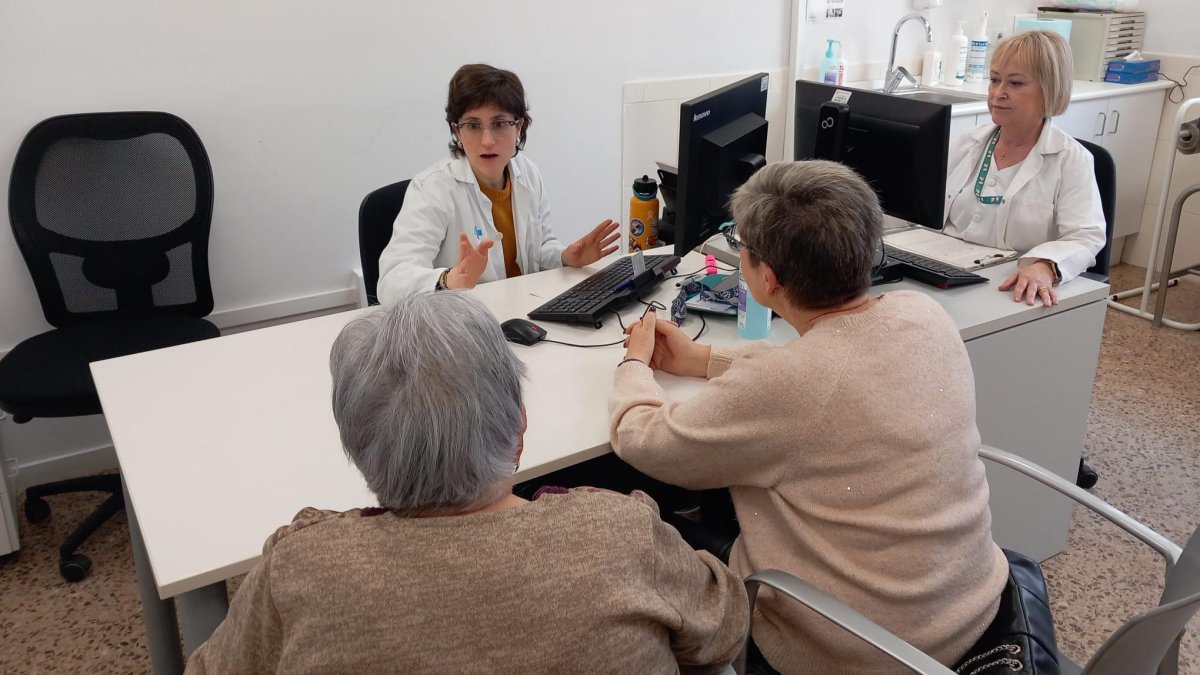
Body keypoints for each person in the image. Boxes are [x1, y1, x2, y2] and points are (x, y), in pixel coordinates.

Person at [186, 292, 748, 674]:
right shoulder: (619, 531)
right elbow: (723, 628)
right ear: (520, 427)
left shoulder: (299, 570)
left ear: (356, 448)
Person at [610, 161, 1009, 675]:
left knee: (649, 525)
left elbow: (640, 437)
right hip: (969, 612)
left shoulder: (789, 386)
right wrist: (703, 362)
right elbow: (829, 376)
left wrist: (632, 364)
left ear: (767, 278)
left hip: (854, 649)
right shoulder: (922, 315)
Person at [376, 64, 619, 303]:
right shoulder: (433, 189)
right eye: (472, 125)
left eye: (499, 123)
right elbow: (391, 283)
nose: (487, 140)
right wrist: (448, 280)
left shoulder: (528, 173)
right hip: (465, 323)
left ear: (519, 127)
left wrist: (567, 256)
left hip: (526, 311)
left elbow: (540, 248)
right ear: (457, 132)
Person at [944, 30, 1106, 307]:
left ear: (1049, 90)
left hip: (1012, 288)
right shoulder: (967, 143)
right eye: (995, 80)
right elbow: (927, 211)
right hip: (947, 273)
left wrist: (1045, 266)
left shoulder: (1071, 160)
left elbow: (1086, 236)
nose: (999, 93)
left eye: (1015, 83)